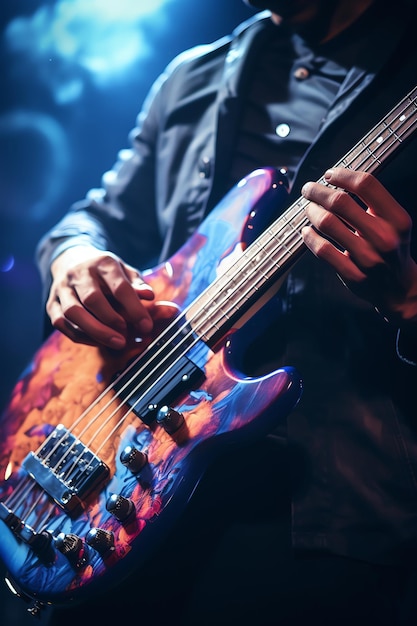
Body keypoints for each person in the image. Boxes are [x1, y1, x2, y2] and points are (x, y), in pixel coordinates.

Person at [30, 0, 417, 624]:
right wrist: (72, 259)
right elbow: (97, 217)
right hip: (121, 472)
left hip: (317, 520)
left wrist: (410, 301)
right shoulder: (193, 76)